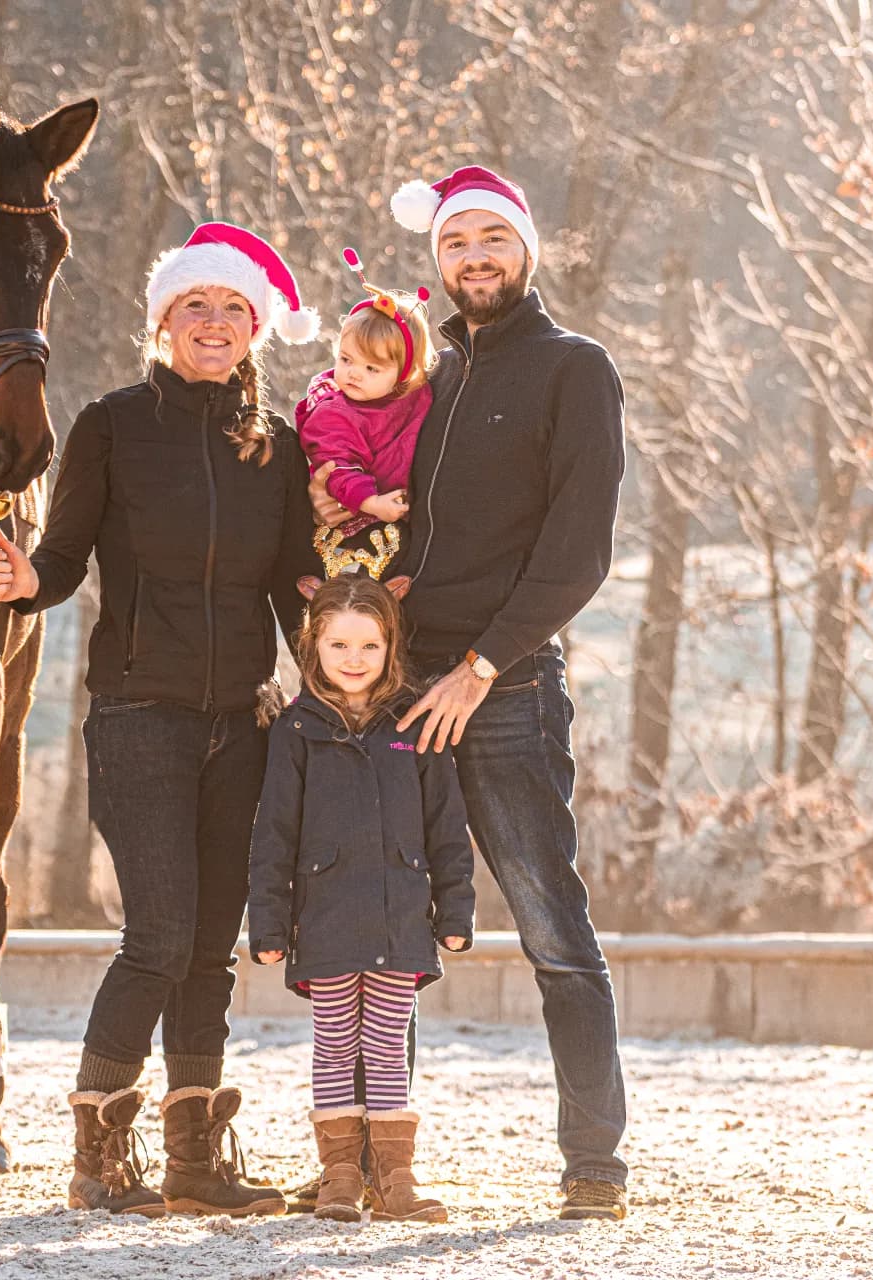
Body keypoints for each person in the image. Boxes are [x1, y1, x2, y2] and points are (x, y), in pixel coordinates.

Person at [0, 221, 322, 1218]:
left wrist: (343, 676)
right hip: (139, 716)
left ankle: (195, 1161)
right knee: (160, 934)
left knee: (211, 942)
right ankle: (99, 1149)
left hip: (242, 720)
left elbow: (294, 589)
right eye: (193, 307)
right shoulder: (113, 423)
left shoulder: (276, 445)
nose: (212, 324)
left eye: (230, 309)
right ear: (163, 322)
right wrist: (20, 579)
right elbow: (65, 552)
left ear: (254, 327)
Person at [310, 166, 631, 1221]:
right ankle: (366, 1166)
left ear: (527, 250)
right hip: (394, 687)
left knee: (551, 926)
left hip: (506, 683)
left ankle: (594, 1163)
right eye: (457, 243)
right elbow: (342, 443)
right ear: (436, 259)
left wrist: (484, 664)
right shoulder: (428, 375)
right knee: (380, 934)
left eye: (495, 237)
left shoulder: (574, 370)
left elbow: (578, 552)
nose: (476, 257)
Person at [248, 573, 476, 1224]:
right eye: (339, 645)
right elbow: (273, 835)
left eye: (369, 646)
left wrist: (454, 913)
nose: (354, 660)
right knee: (333, 1044)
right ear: (312, 645)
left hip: (400, 918)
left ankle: (395, 1177)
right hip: (323, 920)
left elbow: (447, 827)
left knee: (383, 1044)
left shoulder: (414, 721)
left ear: (390, 645)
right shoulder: (295, 730)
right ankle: (340, 1177)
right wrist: (268, 924)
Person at [293, 250, 437, 582]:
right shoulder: (332, 413)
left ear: (404, 373)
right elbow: (337, 467)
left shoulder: (415, 397)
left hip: (397, 521)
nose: (354, 374)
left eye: (372, 368)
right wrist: (372, 503)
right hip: (351, 530)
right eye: (346, 360)